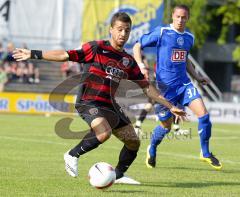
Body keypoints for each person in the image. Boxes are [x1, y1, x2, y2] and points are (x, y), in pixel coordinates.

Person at [13, 12, 186, 184]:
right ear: (111, 30)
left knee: (133, 143)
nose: (123, 34)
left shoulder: (127, 60)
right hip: (88, 101)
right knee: (104, 133)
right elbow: (65, 55)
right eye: (119, 29)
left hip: (110, 105)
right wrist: (34, 54)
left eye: (127, 30)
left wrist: (170, 105)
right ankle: (72, 155)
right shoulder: (96, 48)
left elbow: (146, 86)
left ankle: (118, 176)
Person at [133, 5, 222, 170]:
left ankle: (205, 152)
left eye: (184, 17)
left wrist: (197, 77)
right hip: (164, 89)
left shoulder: (189, 38)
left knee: (204, 115)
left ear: (187, 18)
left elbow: (185, 59)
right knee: (166, 126)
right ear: (173, 16)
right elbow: (137, 46)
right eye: (178, 17)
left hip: (184, 84)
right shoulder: (162, 32)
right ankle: (152, 147)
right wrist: (140, 65)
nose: (180, 20)